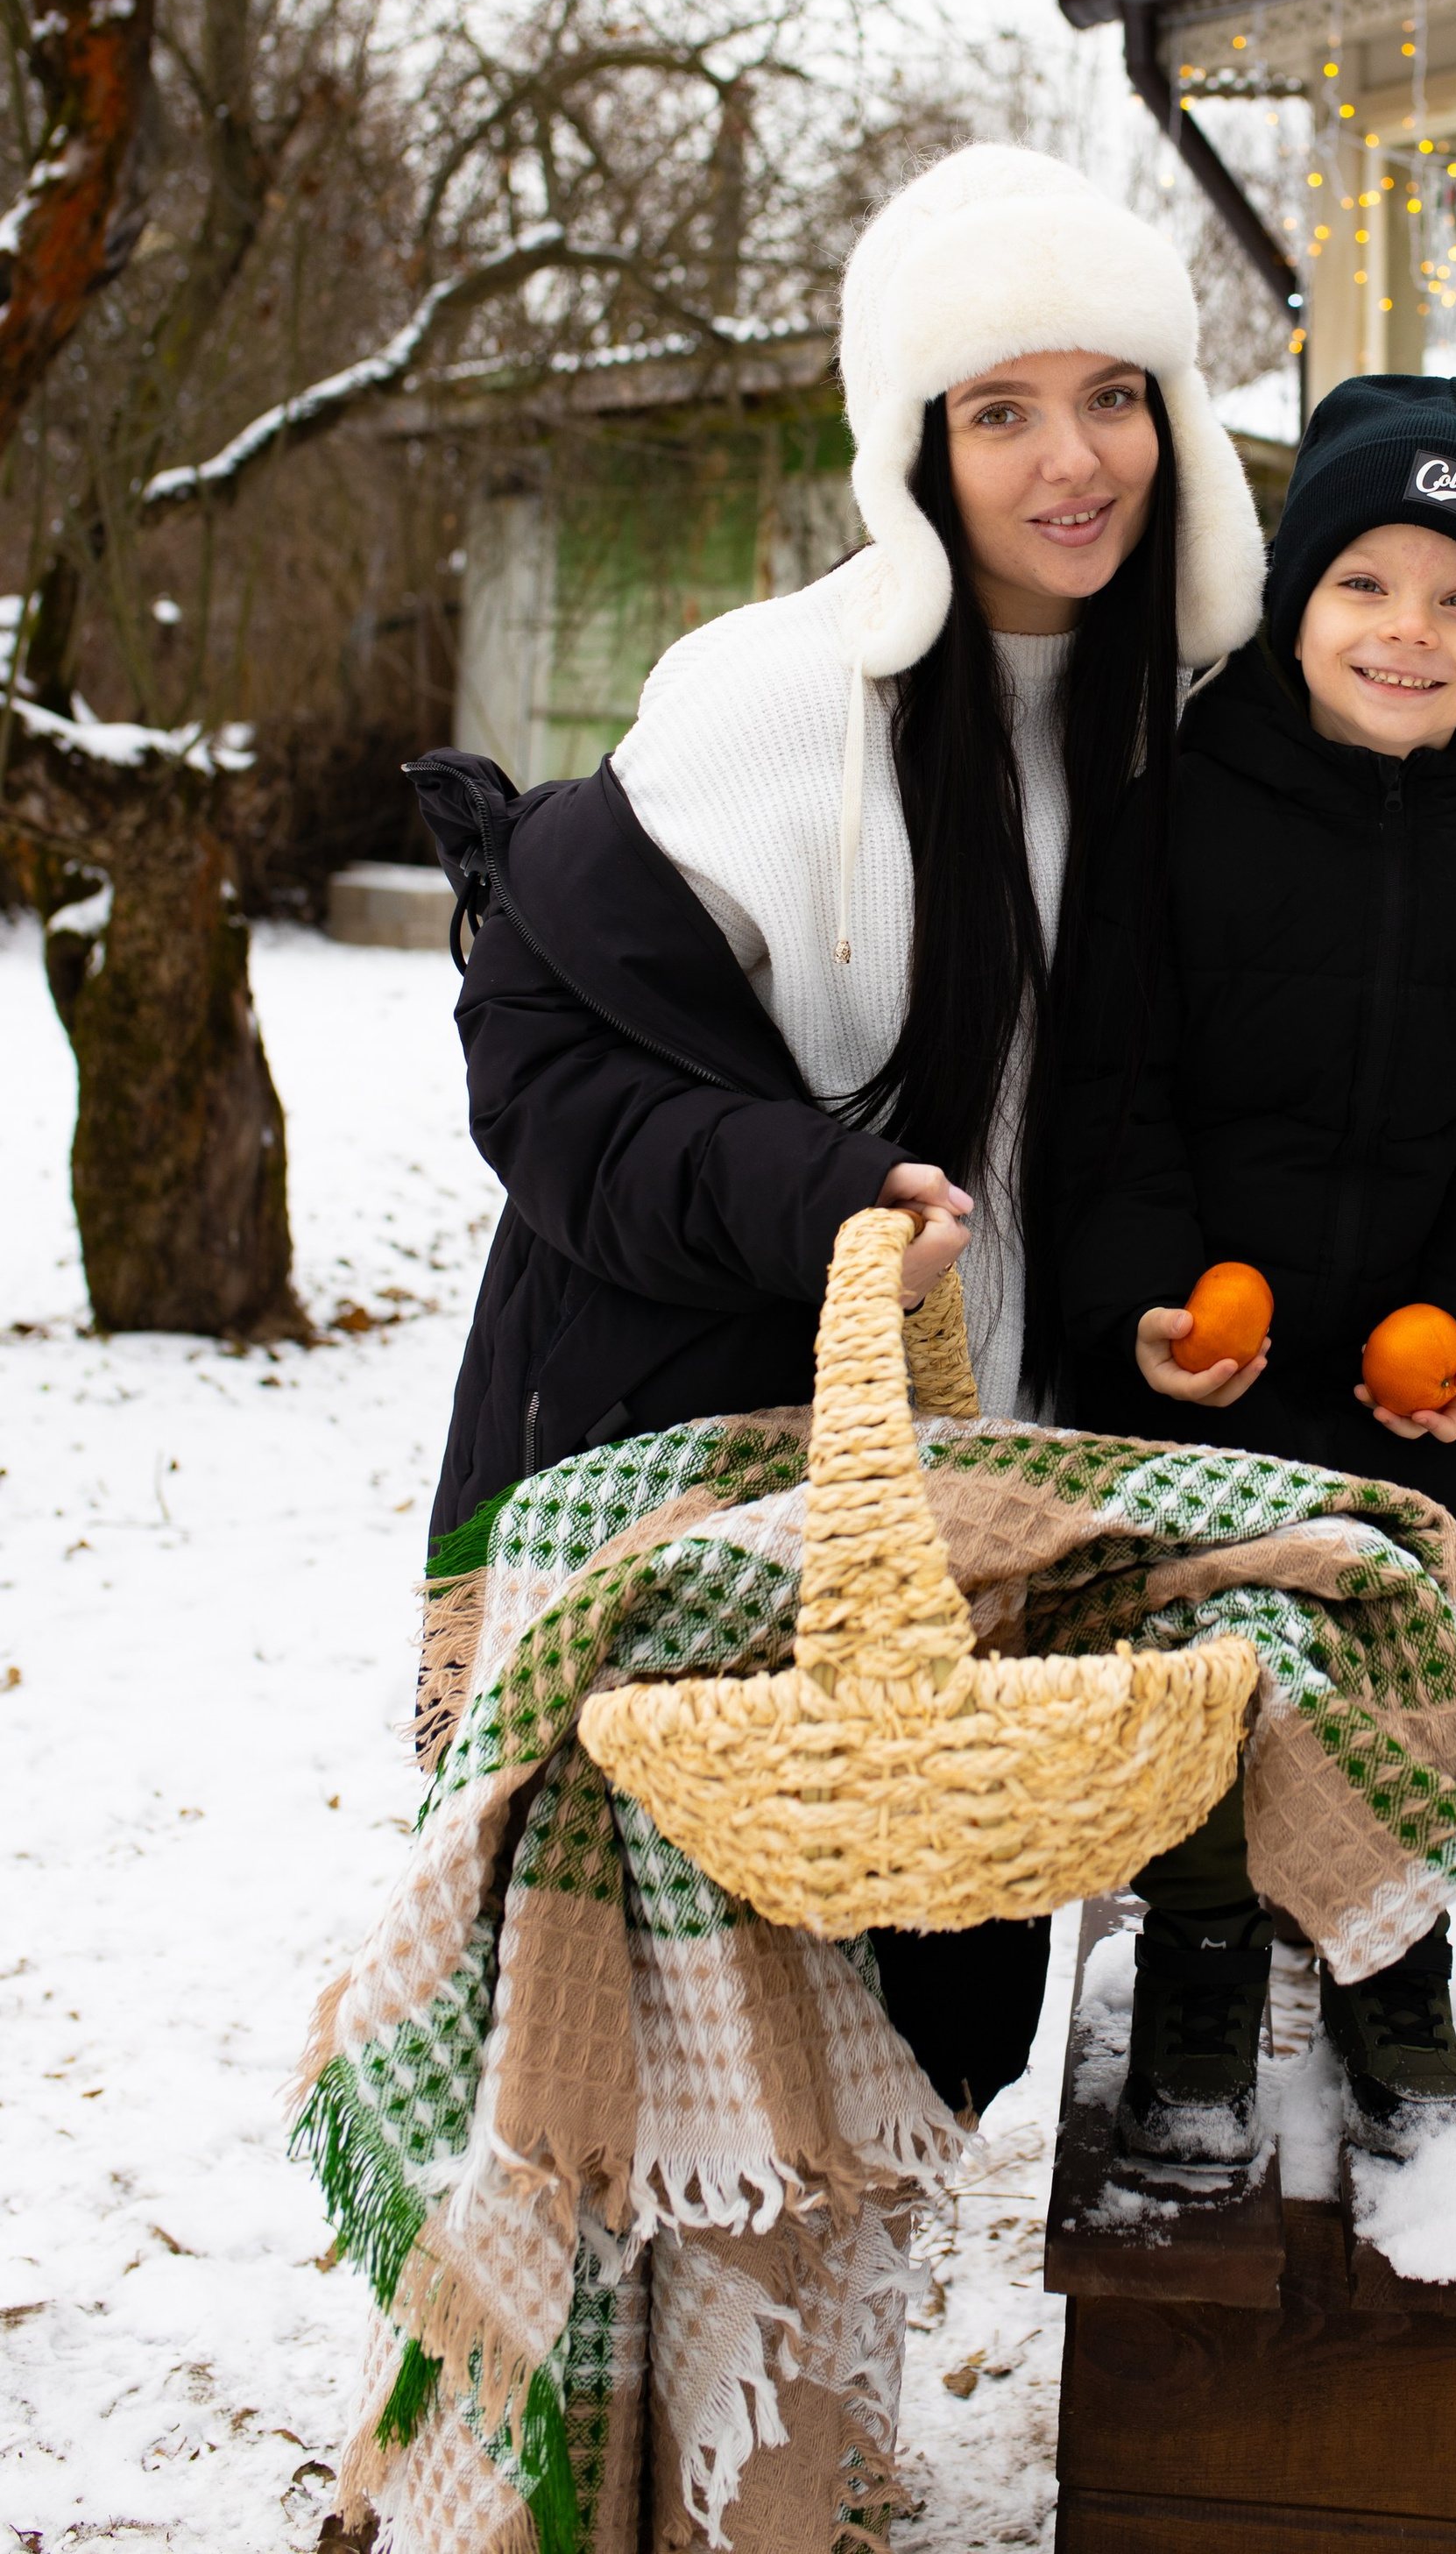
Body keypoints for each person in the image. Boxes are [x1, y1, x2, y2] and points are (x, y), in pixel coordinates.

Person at [408, 142, 1267, 2117]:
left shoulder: (1181, 722)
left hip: (979, 1489)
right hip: (697, 1466)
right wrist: (815, 1194)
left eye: (1115, 394)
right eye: (1001, 411)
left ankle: (815, 2434)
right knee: (681, 2081)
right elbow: (543, 1076)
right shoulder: (777, 702)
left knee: (923, 2054)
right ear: (912, 448)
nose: (1076, 459)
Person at [1060, 371, 1456, 2161]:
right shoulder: (1166, 812)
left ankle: (1392, 1967)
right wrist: (1144, 1296)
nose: (1409, 630)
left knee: (1397, 1679)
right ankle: (1202, 1969)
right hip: (1198, 1363)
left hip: (1409, 1370)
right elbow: (1111, 1085)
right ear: (1296, 599)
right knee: (1203, 1677)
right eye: (1364, 582)